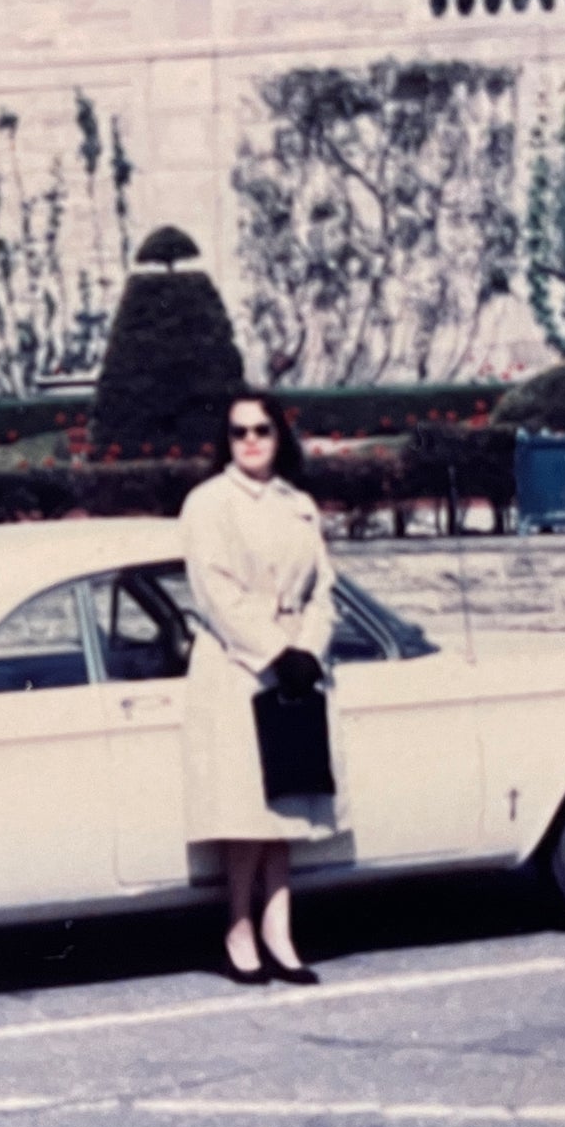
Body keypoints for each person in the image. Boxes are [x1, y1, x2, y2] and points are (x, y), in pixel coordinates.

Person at [178, 391, 345, 985]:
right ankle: (238, 928)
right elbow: (215, 593)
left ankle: (281, 930)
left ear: (280, 436)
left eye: (263, 430)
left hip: (297, 664)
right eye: (239, 431)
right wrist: (274, 652)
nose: (251, 440)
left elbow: (323, 588)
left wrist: (307, 649)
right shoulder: (208, 504)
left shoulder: (299, 505)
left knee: (287, 808)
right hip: (236, 669)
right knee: (247, 812)